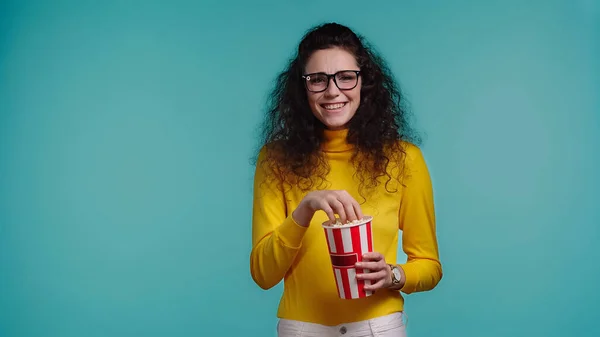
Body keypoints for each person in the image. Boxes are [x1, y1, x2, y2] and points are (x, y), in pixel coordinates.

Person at [249, 22, 442, 337]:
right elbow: (263, 273)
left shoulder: (405, 159)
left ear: (364, 82)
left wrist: (393, 274)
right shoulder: (275, 159)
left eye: (345, 77)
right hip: (303, 329)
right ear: (303, 88)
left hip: (377, 327)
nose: (332, 91)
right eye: (317, 80)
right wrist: (305, 209)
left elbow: (430, 265)